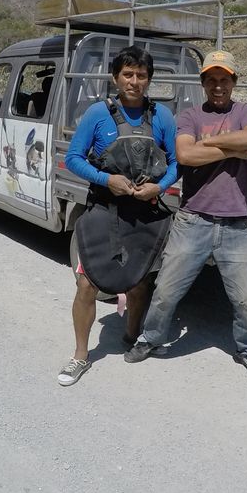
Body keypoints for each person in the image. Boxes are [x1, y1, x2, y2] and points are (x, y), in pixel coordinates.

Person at [125, 50, 247, 379]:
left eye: (224, 80)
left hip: (236, 223)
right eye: (211, 80)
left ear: (234, 82)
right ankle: (151, 339)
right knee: (166, 291)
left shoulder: (246, 111)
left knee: (246, 300)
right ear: (203, 83)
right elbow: (185, 156)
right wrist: (237, 151)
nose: (218, 86)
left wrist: (213, 144)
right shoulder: (189, 115)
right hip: (193, 220)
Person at [57, 45, 178, 386]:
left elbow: (175, 163)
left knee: (140, 282)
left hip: (145, 212)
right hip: (103, 209)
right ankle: (80, 355)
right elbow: (74, 158)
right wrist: (106, 179)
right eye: (128, 74)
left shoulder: (162, 116)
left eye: (141, 75)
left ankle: (131, 336)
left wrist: (159, 187)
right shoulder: (98, 114)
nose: (134, 81)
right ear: (115, 78)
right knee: (86, 284)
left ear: (149, 79)